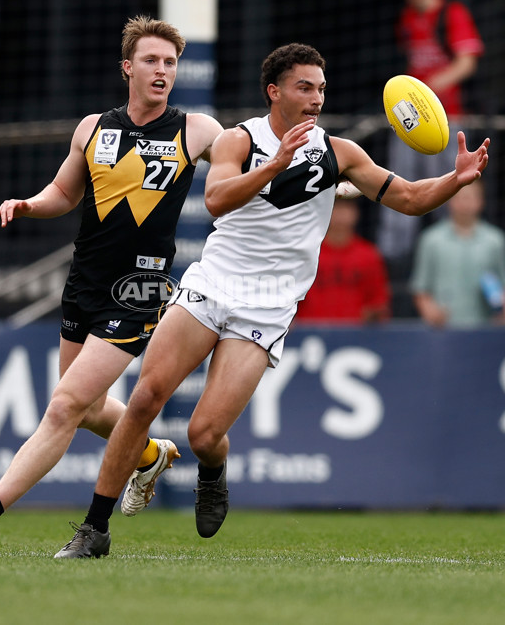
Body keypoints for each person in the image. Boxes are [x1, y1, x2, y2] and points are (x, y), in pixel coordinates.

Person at [51, 41, 489, 558]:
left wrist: (453, 180)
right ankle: (94, 529)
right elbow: (216, 199)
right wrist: (274, 163)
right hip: (212, 283)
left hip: (266, 306)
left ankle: (212, 473)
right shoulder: (240, 140)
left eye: (321, 88)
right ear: (274, 91)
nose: (316, 98)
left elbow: (411, 198)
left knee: (203, 433)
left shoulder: (338, 153)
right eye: (305, 87)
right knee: (145, 398)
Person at [0, 15, 223, 555]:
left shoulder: (197, 129)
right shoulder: (93, 127)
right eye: (153, 61)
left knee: (64, 406)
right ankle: (147, 455)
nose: (163, 71)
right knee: (87, 409)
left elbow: (240, 166)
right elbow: (64, 194)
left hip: (138, 288)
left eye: (171, 63)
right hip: (84, 281)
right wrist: (28, 204)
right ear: (127, 67)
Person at [376, 0, 484, 310]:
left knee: (447, 193)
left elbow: (468, 60)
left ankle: (447, 278)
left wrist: (432, 90)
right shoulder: (407, 19)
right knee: (399, 193)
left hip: (446, 121)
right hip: (409, 125)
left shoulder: (451, 13)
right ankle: (396, 278)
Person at [410, 180, 505, 327]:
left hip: (486, 329)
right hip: (443, 330)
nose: (465, 203)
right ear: (449, 200)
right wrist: (431, 312)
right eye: (459, 197)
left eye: (470, 197)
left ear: (481, 201)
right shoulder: (431, 240)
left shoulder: (496, 241)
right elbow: (421, 289)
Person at [295, 197, 391, 324]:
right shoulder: (306, 252)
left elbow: (379, 302)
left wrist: (370, 315)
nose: (341, 214)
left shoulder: (369, 255)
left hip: (355, 335)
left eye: (346, 207)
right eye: (336, 207)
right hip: (308, 333)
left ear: (356, 213)